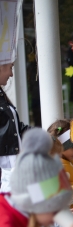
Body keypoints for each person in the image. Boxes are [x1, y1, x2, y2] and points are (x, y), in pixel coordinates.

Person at [0, 63, 30, 191]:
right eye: (10, 68)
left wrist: (43, 136)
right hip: (6, 165)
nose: (11, 74)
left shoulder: (2, 96)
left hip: (13, 163)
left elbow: (17, 128)